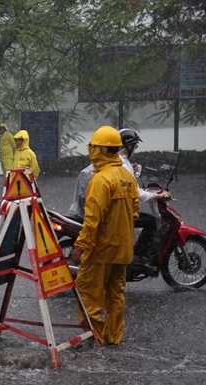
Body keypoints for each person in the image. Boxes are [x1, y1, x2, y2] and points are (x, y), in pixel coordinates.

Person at [70, 126, 140, 346]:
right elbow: (134, 213)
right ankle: (113, 337)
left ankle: (95, 337)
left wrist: (80, 246)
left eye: (93, 147)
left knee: (87, 295)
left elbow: (92, 220)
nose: (91, 151)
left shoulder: (100, 180)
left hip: (100, 251)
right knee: (116, 295)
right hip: (123, 250)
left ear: (100, 150)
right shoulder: (127, 177)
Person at [66, 128, 168, 266]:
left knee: (93, 285)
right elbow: (134, 204)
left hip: (106, 251)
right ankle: (140, 257)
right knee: (149, 222)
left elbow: (93, 219)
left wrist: (80, 246)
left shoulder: (101, 177)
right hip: (121, 252)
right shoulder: (122, 172)